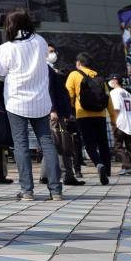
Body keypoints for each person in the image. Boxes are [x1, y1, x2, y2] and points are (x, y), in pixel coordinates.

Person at [0, 7, 62, 201]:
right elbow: (46, 60)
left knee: (21, 144)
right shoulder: (40, 41)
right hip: (40, 101)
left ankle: (27, 191)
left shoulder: (6, 48)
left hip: (16, 101)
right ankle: (56, 190)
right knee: (47, 142)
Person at [65, 52, 116, 185]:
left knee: (89, 144)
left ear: (79, 63)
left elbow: (68, 95)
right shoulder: (98, 76)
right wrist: (114, 119)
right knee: (103, 143)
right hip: (100, 115)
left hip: (83, 114)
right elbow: (108, 99)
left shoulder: (74, 75)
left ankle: (99, 164)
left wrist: (66, 113)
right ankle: (107, 171)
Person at [44, 56, 84, 186]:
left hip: (56, 111)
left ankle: (45, 175)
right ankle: (67, 175)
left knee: (55, 142)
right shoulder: (47, 70)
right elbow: (50, 91)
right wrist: (53, 109)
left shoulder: (49, 69)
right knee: (61, 142)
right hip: (55, 113)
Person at [108, 75, 131, 176]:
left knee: (118, 146)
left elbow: (116, 108)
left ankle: (128, 166)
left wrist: (113, 122)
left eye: (111, 80)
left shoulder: (114, 92)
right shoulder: (127, 93)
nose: (109, 82)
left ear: (115, 80)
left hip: (120, 121)